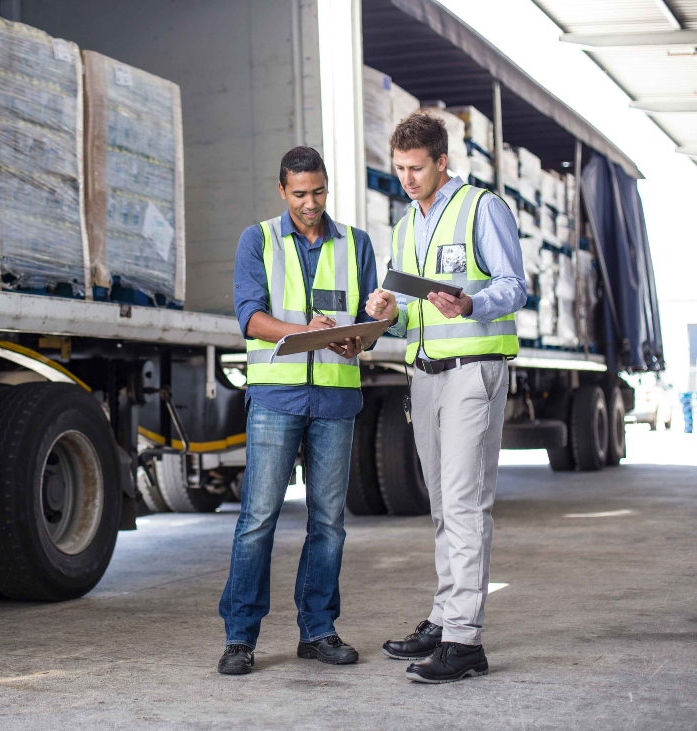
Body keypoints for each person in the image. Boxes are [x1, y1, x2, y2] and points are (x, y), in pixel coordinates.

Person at [366, 113, 525, 683]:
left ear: (441, 163)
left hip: (473, 372)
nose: (406, 178)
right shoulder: (406, 224)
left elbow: (514, 285)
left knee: (463, 503)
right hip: (425, 374)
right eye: (400, 169)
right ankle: (443, 616)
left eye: (416, 168)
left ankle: (465, 641)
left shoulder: (482, 208)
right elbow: (412, 305)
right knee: (442, 505)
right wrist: (388, 311)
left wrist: (471, 304)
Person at [218, 147, 379, 675]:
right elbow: (249, 317)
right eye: (300, 194)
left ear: (327, 186)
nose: (311, 204)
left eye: (319, 192)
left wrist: (359, 338)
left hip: (335, 399)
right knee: (257, 521)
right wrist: (300, 332)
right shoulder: (258, 239)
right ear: (282, 190)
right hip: (275, 398)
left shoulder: (356, 243)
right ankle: (240, 639)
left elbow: (364, 321)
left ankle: (318, 631)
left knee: (329, 523)